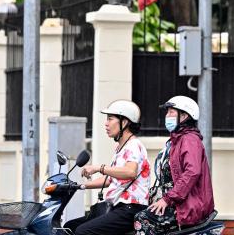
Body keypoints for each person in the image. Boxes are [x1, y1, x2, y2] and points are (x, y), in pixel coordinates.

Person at [64, 100, 150, 235]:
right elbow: (111, 179)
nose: (106, 123)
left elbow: (130, 172)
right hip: (117, 206)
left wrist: (99, 168)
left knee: (83, 232)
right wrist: (80, 186)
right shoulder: (120, 148)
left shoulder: (134, 145)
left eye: (110, 119)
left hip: (131, 208)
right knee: (70, 226)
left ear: (124, 122)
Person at [134, 96, 214, 235]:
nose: (167, 116)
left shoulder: (189, 139)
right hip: (176, 203)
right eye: (167, 112)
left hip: (188, 206)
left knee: (143, 219)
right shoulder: (175, 141)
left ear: (183, 116)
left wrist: (167, 199)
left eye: (171, 112)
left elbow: (192, 172)